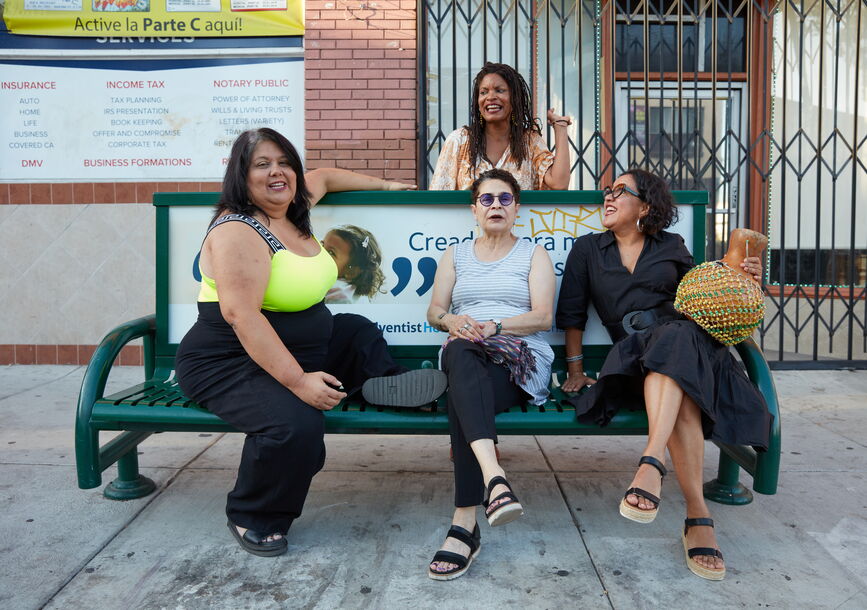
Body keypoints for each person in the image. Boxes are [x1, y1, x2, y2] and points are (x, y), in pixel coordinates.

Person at [174, 128, 447, 557]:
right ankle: (253, 513)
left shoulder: (293, 207)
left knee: (354, 328)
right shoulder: (237, 231)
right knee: (294, 426)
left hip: (303, 344)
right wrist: (299, 383)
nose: (276, 172)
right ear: (240, 176)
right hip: (230, 357)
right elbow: (242, 318)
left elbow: (324, 176)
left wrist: (387, 186)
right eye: (261, 165)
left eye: (284, 161)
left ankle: (384, 383)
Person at [555, 168, 771, 581]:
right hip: (634, 357)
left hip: (684, 345)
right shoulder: (588, 249)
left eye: (621, 191)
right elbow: (572, 314)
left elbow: (701, 298)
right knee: (677, 380)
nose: (609, 196)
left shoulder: (671, 246)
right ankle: (696, 516)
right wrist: (577, 370)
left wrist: (742, 280)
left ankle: (652, 463)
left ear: (646, 206)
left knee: (676, 345)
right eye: (608, 190)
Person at [425, 168, 556, 580]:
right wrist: (452, 321)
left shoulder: (533, 254)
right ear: (474, 209)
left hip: (516, 362)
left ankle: (465, 521)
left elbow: (543, 316)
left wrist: (495, 326)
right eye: (487, 199)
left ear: (517, 208)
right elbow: (433, 311)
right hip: (467, 354)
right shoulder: (456, 255)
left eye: (504, 199)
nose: (495, 205)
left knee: (464, 399)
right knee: (462, 352)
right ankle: (494, 479)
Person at [430, 62, 572, 191]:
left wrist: (560, 127)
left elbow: (559, 184)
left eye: (499, 90)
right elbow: (438, 197)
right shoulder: (459, 141)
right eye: (483, 92)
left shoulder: (530, 142)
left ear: (514, 98)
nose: (490, 97)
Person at [323, 225, 385, 303]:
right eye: (322, 244)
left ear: (352, 272)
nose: (320, 251)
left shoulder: (338, 299)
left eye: (331, 252)